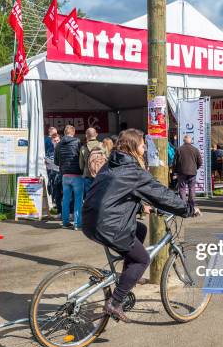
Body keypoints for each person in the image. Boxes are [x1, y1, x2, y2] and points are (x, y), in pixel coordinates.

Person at [82, 129, 193, 322]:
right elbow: (160, 194)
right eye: (143, 145)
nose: (144, 148)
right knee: (142, 260)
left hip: (90, 220)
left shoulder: (112, 163)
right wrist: (187, 209)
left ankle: (128, 275)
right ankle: (115, 302)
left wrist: (141, 205)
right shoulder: (133, 171)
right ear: (134, 147)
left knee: (140, 229)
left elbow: (113, 193)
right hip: (108, 225)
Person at [54, 125, 83, 230]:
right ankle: (77, 224)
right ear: (73, 132)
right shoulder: (78, 142)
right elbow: (82, 157)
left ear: (64, 132)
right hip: (77, 175)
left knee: (65, 199)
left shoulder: (58, 145)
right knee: (78, 199)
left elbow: (56, 162)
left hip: (65, 175)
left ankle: (65, 222)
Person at [173, 135, 202, 216]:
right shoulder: (195, 150)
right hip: (192, 172)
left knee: (182, 188)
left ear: (184, 141)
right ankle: (192, 205)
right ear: (190, 141)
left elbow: (175, 162)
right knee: (192, 188)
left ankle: (183, 206)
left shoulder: (179, 149)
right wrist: (195, 168)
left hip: (181, 172)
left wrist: (175, 172)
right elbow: (200, 162)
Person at [79, 127, 107, 195]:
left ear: (86, 136)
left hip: (88, 176)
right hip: (101, 175)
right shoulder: (103, 146)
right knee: (100, 196)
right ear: (96, 134)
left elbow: (81, 166)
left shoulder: (83, 148)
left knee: (89, 197)